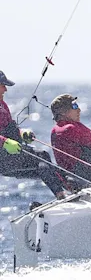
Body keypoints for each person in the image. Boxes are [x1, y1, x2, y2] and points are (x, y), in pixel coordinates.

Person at [0, 71, 70, 199]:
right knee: (41, 158)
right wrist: (4, 142)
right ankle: (63, 194)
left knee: (44, 162)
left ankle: (71, 189)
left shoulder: (2, 105)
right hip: (3, 160)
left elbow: (10, 128)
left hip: (11, 154)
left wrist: (22, 133)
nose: (5, 89)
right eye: (2, 85)